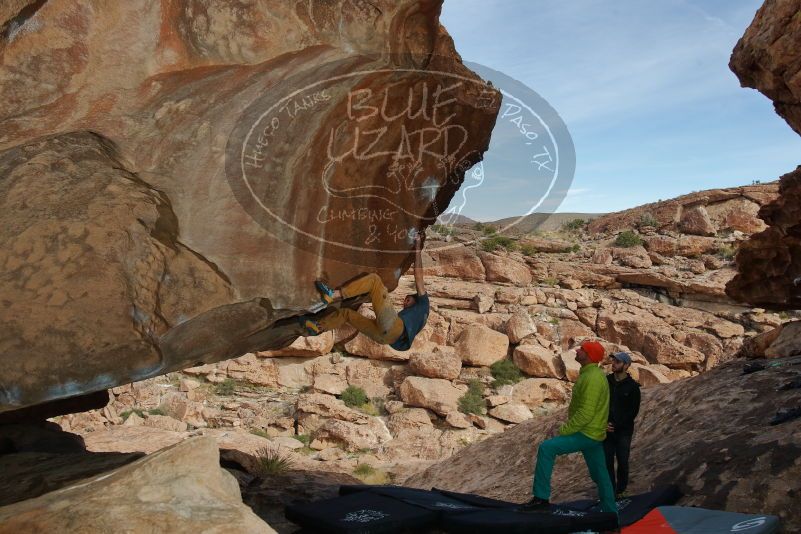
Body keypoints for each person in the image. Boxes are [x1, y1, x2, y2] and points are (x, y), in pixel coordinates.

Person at [521, 340, 617, 518]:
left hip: (585, 433)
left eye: (582, 349)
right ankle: (611, 513)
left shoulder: (592, 378)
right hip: (594, 433)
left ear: (588, 356)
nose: (577, 351)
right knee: (600, 474)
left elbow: (586, 412)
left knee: (546, 449)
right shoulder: (592, 374)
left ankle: (541, 499)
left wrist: (564, 430)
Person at [300, 233, 428, 351]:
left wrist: (417, 247)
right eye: (406, 300)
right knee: (346, 314)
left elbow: (419, 277)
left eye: (408, 300)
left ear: (417, 298)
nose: (404, 303)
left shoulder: (423, 303)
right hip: (385, 339)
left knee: (374, 280)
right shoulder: (418, 317)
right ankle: (318, 326)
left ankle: (333, 294)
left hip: (394, 329)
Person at [604, 351, 641, 498]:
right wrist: (603, 423)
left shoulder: (632, 387)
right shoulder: (606, 381)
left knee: (623, 461)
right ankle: (610, 492)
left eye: (618, 362)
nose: (613, 364)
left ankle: (621, 490)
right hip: (606, 429)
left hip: (623, 431)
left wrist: (618, 425)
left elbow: (633, 410)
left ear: (626, 365)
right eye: (613, 361)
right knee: (607, 462)